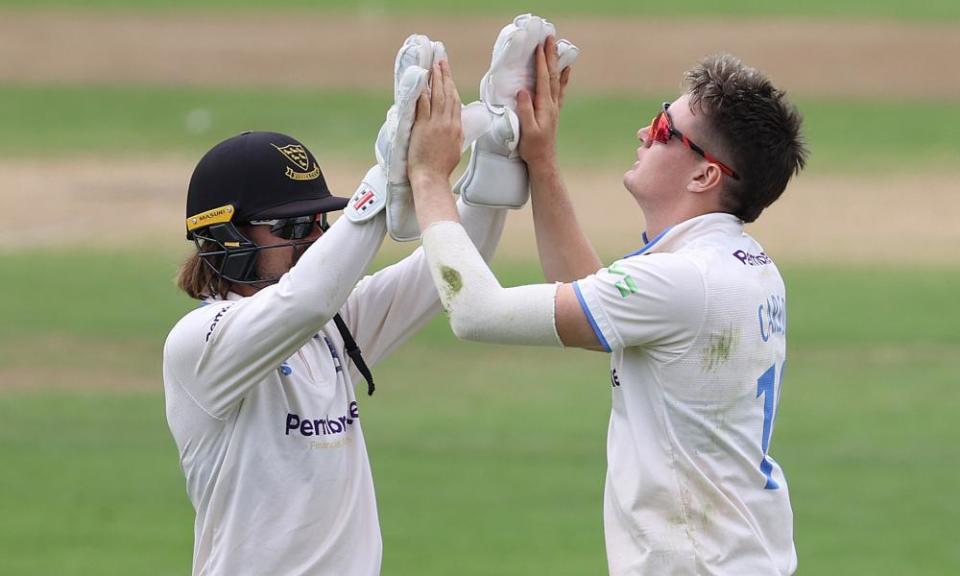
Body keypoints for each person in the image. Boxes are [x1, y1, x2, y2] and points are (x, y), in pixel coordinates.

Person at [407, 41, 807, 574]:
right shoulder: (739, 262)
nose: (645, 133)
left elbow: (477, 311)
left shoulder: (684, 279)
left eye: (665, 130)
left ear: (705, 176)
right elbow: (596, 296)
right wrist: (540, 159)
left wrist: (429, 177)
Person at [162, 128, 505, 574]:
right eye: (292, 227)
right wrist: (386, 176)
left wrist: (500, 151)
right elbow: (308, 298)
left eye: (318, 222)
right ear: (225, 237)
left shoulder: (329, 327)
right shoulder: (201, 341)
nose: (313, 239)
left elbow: (452, 264)